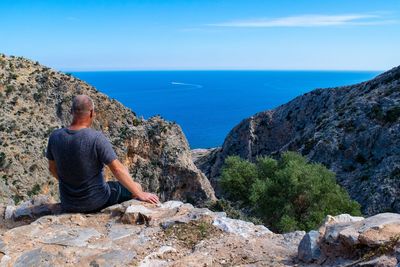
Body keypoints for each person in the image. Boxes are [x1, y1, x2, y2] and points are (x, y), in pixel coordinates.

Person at [46, 95, 159, 213]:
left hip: (68, 203)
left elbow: (52, 168)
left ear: (71, 111)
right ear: (92, 113)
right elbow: (117, 169)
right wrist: (140, 194)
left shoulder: (55, 136)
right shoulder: (96, 138)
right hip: (97, 201)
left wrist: (72, 184)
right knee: (137, 186)